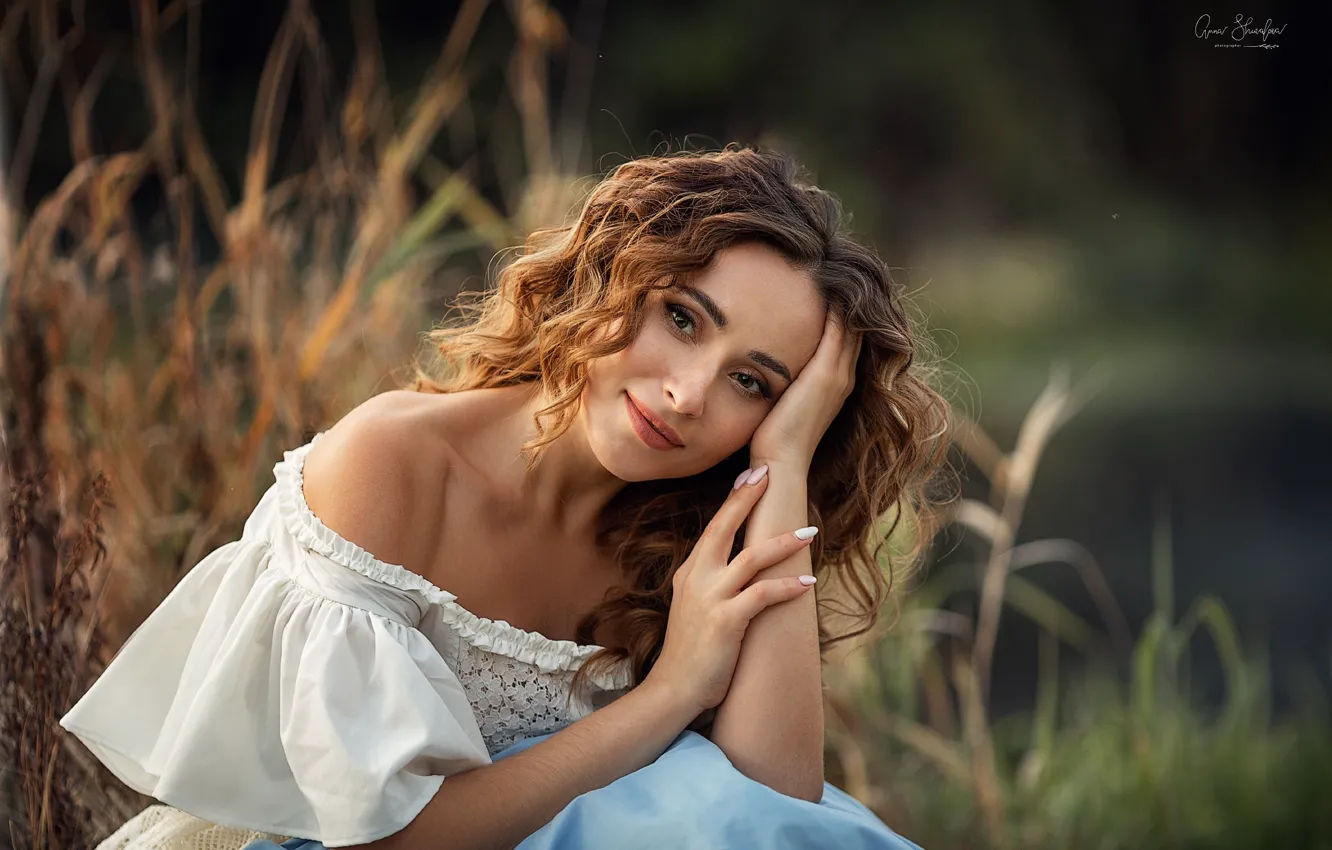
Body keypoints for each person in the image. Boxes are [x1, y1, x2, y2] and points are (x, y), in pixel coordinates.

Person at [59, 145, 951, 849]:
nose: (688, 394)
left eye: (752, 384)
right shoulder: (393, 467)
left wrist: (785, 464)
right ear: (613, 274)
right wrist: (668, 693)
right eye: (681, 318)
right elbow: (384, 842)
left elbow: (776, 809)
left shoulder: (695, 526)